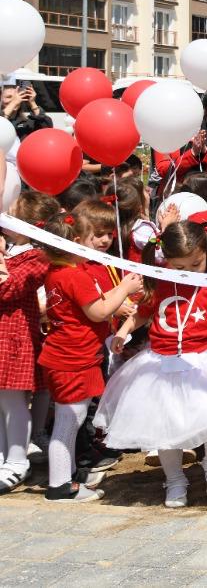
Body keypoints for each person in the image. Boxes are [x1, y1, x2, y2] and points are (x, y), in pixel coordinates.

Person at [99, 220, 207, 508]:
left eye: (196, 264)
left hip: (204, 362)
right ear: (166, 260)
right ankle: (174, 478)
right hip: (161, 363)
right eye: (181, 268)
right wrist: (122, 331)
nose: (191, 273)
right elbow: (143, 312)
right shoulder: (160, 280)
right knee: (165, 426)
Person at [39, 206, 144, 502]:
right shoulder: (75, 276)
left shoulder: (61, 271)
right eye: (88, 238)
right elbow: (98, 312)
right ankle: (60, 485)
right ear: (73, 243)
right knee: (68, 421)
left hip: (67, 355)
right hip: (72, 358)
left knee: (70, 419)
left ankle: (69, 477)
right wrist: (124, 288)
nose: (95, 244)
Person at [0, 198, 50, 494]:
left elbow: (8, 288)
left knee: (13, 401)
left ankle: (18, 461)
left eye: (11, 213)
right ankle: (3, 456)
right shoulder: (12, 251)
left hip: (15, 335)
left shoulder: (36, 257)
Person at [154, 90, 207, 180]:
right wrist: (192, 153)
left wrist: (205, 151)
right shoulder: (164, 132)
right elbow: (163, 170)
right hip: (177, 190)